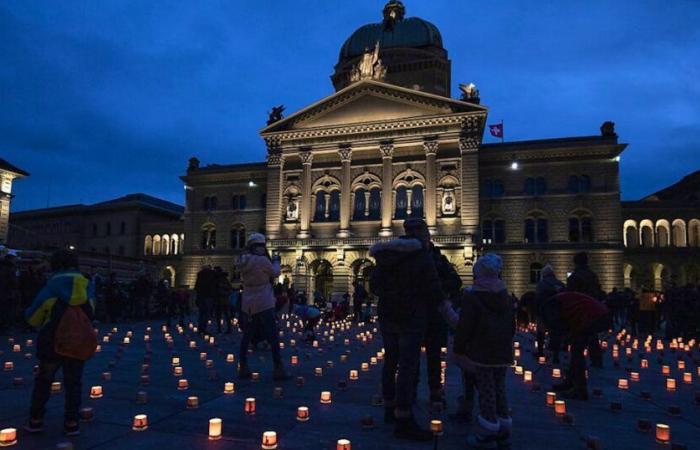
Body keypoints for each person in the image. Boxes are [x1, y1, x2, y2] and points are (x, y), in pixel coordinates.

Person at [369, 218, 443, 441]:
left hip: (388, 316)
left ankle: (389, 409)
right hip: (411, 317)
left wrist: (392, 294)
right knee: (408, 366)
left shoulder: (385, 255)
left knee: (391, 362)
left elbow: (374, 286)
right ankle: (404, 419)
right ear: (421, 233)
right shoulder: (421, 255)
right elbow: (434, 288)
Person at [23, 250, 95, 436]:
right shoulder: (87, 285)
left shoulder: (51, 286)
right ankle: (72, 423)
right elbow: (92, 311)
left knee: (44, 381)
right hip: (77, 342)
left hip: (51, 342)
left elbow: (33, 317)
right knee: (74, 383)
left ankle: (36, 420)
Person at [453, 254, 515, 449]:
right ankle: (504, 426)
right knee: (499, 388)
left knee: (486, 390)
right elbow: (511, 326)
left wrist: (459, 347)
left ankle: (488, 431)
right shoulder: (505, 295)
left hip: (481, 351)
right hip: (502, 351)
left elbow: (465, 325)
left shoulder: (473, 295)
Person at [408, 219, 462, 408]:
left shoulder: (437, 257)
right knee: (411, 357)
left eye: (419, 231)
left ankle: (435, 393)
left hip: (432, 314)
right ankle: (411, 392)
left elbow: (455, 282)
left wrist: (437, 292)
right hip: (412, 314)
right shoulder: (403, 256)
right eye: (411, 232)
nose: (416, 235)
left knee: (432, 357)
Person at [237, 233, 290, 381]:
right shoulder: (262, 261)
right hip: (264, 301)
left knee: (247, 336)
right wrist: (276, 261)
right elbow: (276, 272)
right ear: (256, 247)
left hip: (248, 301)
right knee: (272, 335)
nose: (261, 249)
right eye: (260, 246)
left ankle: (243, 366)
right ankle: (278, 368)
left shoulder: (243, 260)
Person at [541, 291, 610, 401]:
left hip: (592, 317)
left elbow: (557, 327)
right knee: (575, 349)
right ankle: (570, 383)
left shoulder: (551, 306)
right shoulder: (554, 302)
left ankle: (580, 390)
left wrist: (552, 348)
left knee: (577, 352)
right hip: (594, 315)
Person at [566, 252, 604, 367]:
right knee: (593, 337)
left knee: (577, 340)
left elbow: (570, 296)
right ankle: (597, 360)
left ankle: (577, 364)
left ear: (575, 262)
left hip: (579, 312)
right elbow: (598, 292)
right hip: (592, 310)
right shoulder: (592, 275)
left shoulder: (574, 277)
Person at [535, 265, 565, 360]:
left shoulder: (541, 284)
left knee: (541, 334)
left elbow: (538, 299)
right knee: (555, 335)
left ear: (543, 274)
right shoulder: (560, 284)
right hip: (558, 313)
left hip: (544, 312)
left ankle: (540, 352)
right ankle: (555, 355)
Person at [194, 265, 217, 334]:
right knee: (206, 313)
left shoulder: (200, 276)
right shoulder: (211, 276)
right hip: (208, 297)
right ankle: (203, 328)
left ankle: (201, 328)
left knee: (202, 313)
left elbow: (196, 288)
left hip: (201, 297)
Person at [213, 267, 233, 334]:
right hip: (219, 300)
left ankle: (228, 328)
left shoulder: (223, 280)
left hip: (223, 300)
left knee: (225, 315)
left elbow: (229, 288)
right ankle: (220, 329)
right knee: (219, 315)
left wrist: (223, 291)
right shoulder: (216, 279)